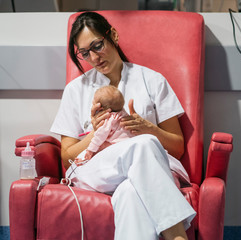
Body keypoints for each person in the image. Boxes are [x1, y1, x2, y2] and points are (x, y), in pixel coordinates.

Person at [50, 11, 195, 240]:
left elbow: (177, 147)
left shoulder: (153, 80)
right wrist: (95, 134)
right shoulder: (75, 90)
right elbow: (66, 156)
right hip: (98, 171)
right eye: (85, 53)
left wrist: (150, 129)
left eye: (97, 45)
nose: (94, 58)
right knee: (144, 144)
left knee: (131, 191)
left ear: (113, 36)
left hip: (150, 172)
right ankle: (177, 235)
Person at [75, 85, 134, 165]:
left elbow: (100, 136)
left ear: (100, 108)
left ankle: (84, 160)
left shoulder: (108, 119)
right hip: (130, 144)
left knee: (98, 146)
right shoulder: (123, 113)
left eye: (93, 103)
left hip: (116, 146)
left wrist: (90, 150)